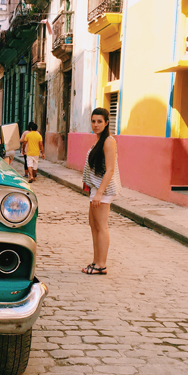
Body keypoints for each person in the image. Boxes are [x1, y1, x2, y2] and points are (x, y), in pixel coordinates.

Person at [81, 108, 121, 275]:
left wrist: (99, 193)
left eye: (99, 121)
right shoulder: (98, 141)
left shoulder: (108, 141)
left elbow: (110, 170)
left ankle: (101, 265)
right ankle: (96, 261)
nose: (96, 125)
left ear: (106, 123)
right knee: (94, 224)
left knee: (101, 226)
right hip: (97, 188)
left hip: (104, 189)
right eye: (93, 121)